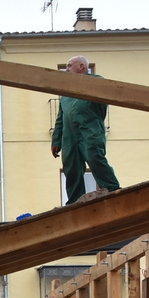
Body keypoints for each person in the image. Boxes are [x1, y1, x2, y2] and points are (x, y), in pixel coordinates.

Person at [52, 55, 120, 205]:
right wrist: (56, 140)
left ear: (81, 67)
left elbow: (107, 92)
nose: (66, 69)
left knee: (95, 158)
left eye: (69, 66)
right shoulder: (65, 94)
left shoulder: (96, 83)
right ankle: (75, 201)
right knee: (71, 167)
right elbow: (60, 119)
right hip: (69, 136)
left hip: (89, 131)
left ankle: (112, 188)